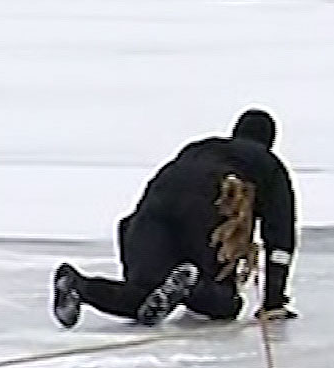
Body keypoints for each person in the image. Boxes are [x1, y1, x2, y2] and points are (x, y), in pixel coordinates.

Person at [53, 108, 297, 328]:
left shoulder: (198, 148)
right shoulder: (268, 165)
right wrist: (272, 302)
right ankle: (192, 284)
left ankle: (79, 286)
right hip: (208, 205)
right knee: (225, 305)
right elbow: (280, 240)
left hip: (152, 209)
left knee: (144, 297)